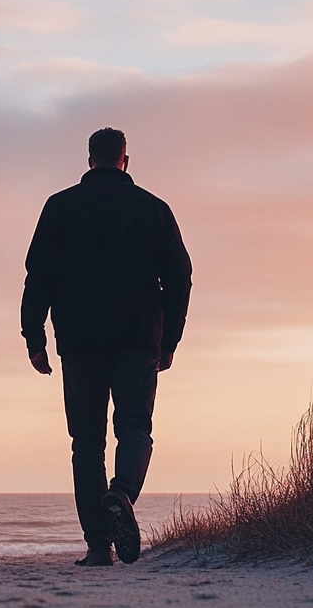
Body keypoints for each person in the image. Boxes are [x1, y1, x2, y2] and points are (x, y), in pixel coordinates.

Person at [21, 128, 192, 566]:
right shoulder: (153, 209)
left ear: (89, 158)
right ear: (125, 160)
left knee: (86, 443)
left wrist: (34, 337)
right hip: (138, 339)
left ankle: (99, 545)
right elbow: (179, 278)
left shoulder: (60, 207)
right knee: (135, 428)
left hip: (80, 342)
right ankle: (122, 494)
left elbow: (37, 275)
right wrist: (169, 339)